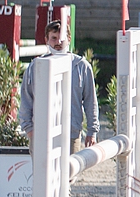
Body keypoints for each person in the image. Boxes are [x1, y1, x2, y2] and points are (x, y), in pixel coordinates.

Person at [19, 20, 99, 156]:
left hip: (71, 133)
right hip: (41, 133)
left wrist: (92, 131)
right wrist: (29, 129)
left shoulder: (82, 67)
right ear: (46, 40)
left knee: (69, 174)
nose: (58, 43)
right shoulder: (35, 66)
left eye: (61, 38)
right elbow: (27, 98)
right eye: (53, 38)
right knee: (41, 175)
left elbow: (90, 101)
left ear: (68, 39)